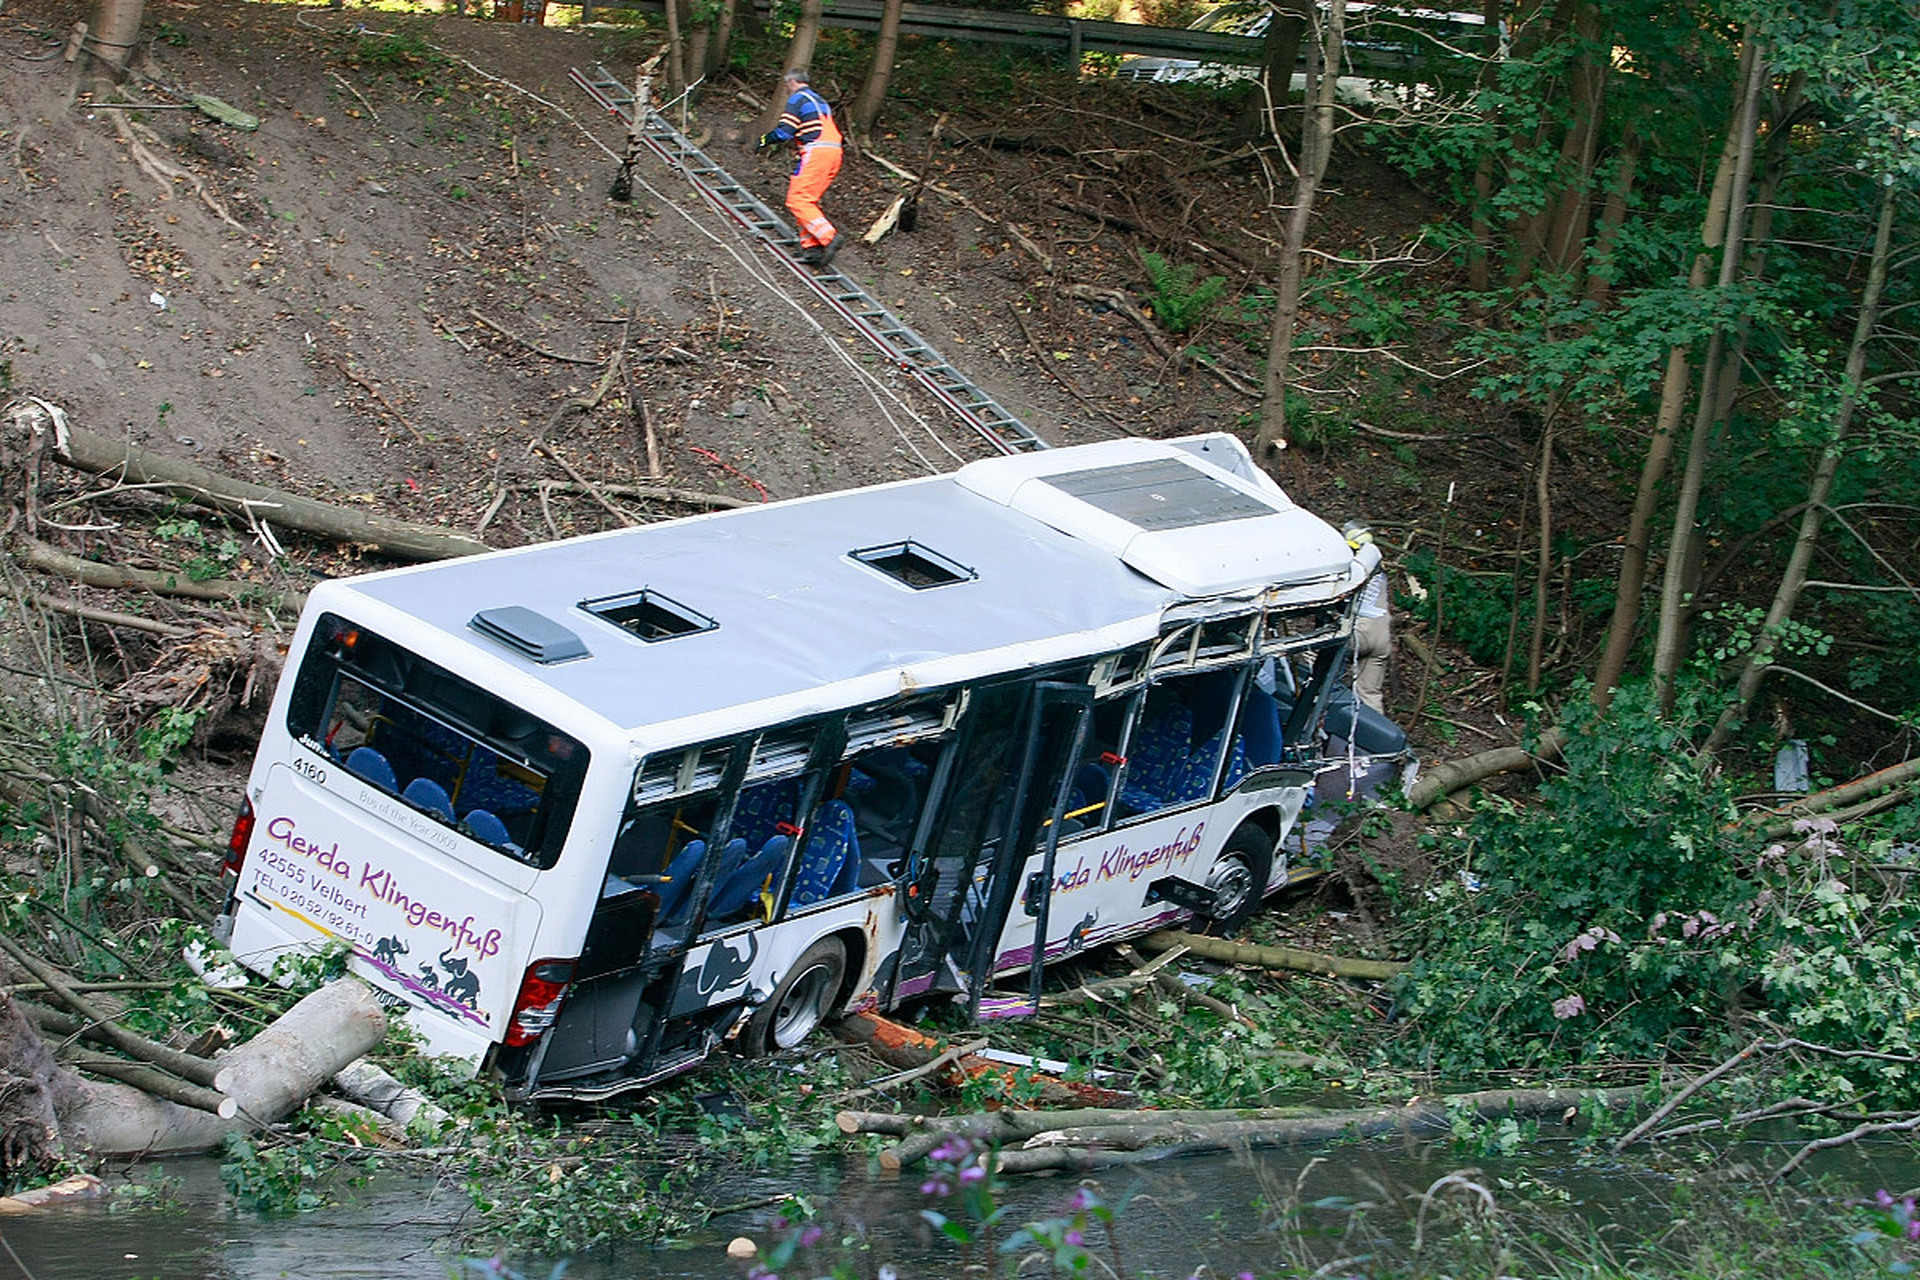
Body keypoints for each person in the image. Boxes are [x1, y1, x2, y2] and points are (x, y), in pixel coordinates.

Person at [758, 69, 844, 269]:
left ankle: (828, 237)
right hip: (833, 153)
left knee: (797, 199)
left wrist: (764, 140)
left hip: (817, 152)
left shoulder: (797, 99)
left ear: (792, 82)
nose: (786, 89)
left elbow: (784, 131)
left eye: (786, 85)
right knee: (807, 200)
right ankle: (811, 247)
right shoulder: (820, 101)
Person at [1344, 519, 1391, 713]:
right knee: (1370, 694)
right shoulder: (1380, 571)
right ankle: (1375, 738)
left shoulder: (1356, 567)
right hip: (1382, 636)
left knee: (1313, 651)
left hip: (1361, 632)